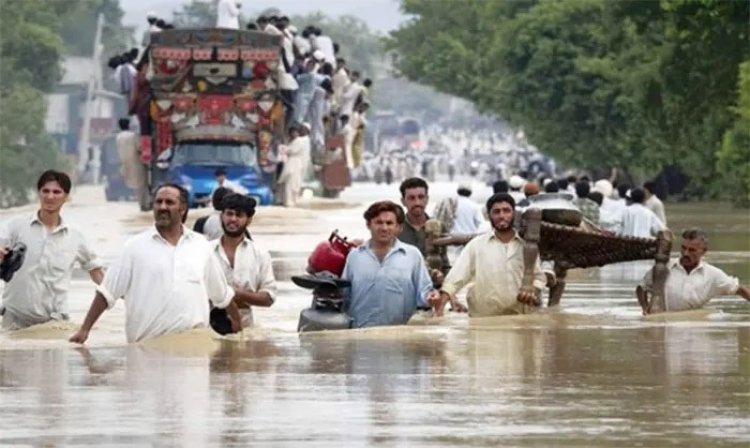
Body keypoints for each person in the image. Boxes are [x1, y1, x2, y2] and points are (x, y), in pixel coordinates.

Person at [69, 184, 241, 344]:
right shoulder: (135, 247)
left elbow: (222, 295)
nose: (162, 207)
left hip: (193, 353)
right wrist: (84, 330)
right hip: (146, 349)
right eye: (158, 202)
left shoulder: (201, 245)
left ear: (182, 208)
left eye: (169, 202)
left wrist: (239, 327)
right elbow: (106, 293)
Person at [0, 170, 104, 330]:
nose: (50, 197)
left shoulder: (75, 235)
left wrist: (125, 296)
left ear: (67, 196)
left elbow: (96, 273)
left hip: (54, 325)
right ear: (38, 193)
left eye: (57, 192)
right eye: (46, 191)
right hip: (14, 322)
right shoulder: (16, 227)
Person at [438, 193, 546, 317]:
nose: (502, 216)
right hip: (484, 321)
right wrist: (439, 310)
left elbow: (539, 277)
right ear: (489, 216)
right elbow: (455, 278)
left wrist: (533, 291)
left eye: (506, 211)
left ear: (514, 214)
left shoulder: (527, 247)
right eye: (496, 212)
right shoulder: (476, 245)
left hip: (520, 320)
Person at [341, 201, 440, 328]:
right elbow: (344, 296)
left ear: (399, 227)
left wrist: (431, 297)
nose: (384, 228)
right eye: (378, 222)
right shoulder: (355, 256)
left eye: (389, 223)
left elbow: (424, 292)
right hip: (360, 335)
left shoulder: (412, 255)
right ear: (368, 225)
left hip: (399, 336)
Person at [637, 228, 750, 314]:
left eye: (692, 250)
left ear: (703, 251)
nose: (686, 253)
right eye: (683, 248)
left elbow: (739, 289)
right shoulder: (664, 267)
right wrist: (645, 309)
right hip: (664, 326)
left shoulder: (712, 275)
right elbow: (642, 288)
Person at [211, 194, 276, 328]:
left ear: (249, 220)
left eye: (239, 215)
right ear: (221, 216)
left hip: (244, 329)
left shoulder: (260, 254)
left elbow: (269, 298)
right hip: (207, 326)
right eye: (229, 214)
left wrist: (236, 294)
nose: (233, 219)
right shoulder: (205, 251)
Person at [115, 117, 147, 205]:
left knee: (130, 182)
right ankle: (141, 202)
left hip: (124, 161)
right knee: (140, 182)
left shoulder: (118, 137)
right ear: (129, 125)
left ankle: (138, 200)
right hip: (135, 161)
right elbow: (139, 147)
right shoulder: (133, 135)